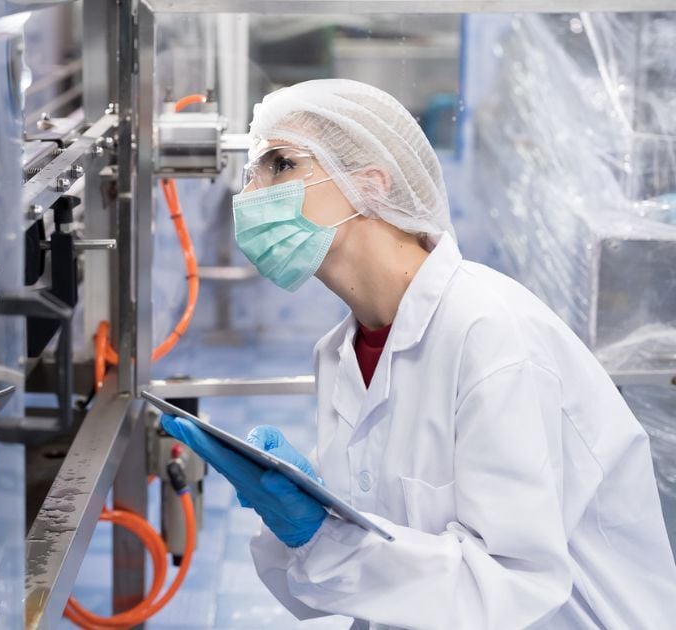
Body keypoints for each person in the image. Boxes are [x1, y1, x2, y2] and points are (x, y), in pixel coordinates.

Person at [161, 79, 676, 628]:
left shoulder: (492, 336)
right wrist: (293, 515)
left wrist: (322, 535)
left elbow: (513, 589)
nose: (252, 196)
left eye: (280, 165)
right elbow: (346, 584)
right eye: (251, 174)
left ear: (372, 185)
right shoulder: (344, 351)